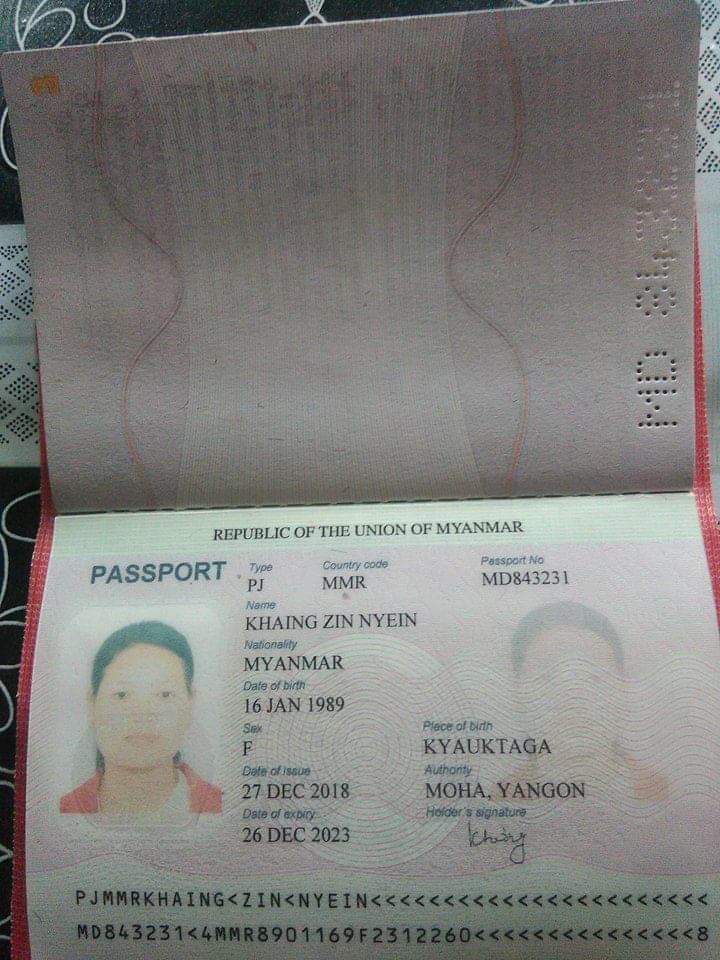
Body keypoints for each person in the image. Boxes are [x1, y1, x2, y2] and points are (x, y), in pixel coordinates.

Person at [510, 601, 668, 803]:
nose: (573, 698)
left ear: (624, 688)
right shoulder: (498, 799)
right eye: (547, 677)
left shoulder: (665, 794)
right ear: (517, 693)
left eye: (594, 677)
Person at [60, 621, 221, 815]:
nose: (142, 714)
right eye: (122, 695)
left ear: (190, 704)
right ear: (92, 705)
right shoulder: (59, 813)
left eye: (164, 694)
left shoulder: (222, 808)